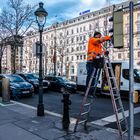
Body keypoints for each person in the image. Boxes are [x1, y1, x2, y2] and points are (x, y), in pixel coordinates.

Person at [86, 31, 111, 96]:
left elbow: (99, 52)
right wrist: (108, 37)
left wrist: (105, 52)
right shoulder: (92, 39)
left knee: (94, 78)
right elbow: (99, 40)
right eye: (99, 35)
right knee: (90, 77)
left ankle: (91, 92)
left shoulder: (98, 45)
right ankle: (88, 92)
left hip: (96, 61)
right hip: (91, 61)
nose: (100, 37)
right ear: (96, 35)